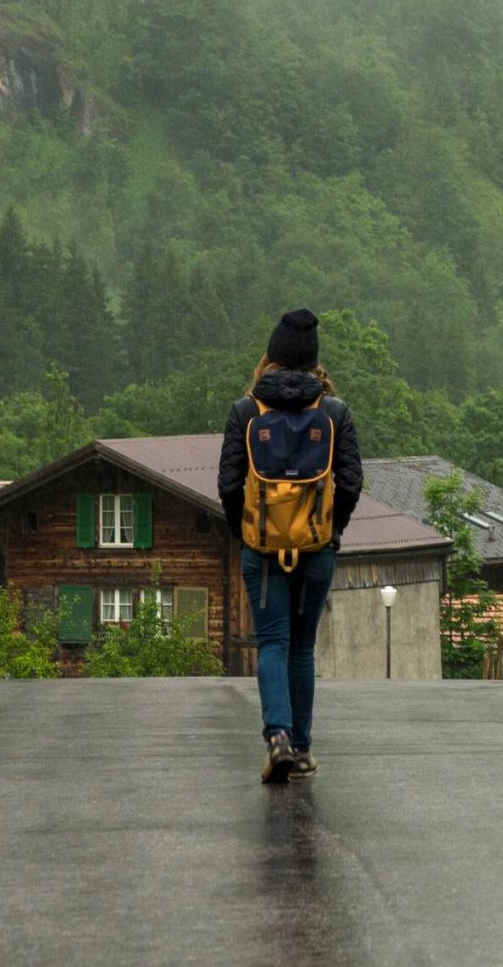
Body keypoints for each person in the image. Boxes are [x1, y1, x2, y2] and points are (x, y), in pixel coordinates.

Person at [218, 308, 362, 784]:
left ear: (271, 357)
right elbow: (353, 481)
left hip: (263, 549)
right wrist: (332, 530)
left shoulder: (246, 411)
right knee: (302, 647)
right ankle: (301, 750)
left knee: (273, 643)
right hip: (316, 548)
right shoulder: (335, 413)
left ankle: (276, 737)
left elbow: (228, 483)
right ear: (314, 361)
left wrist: (246, 533)